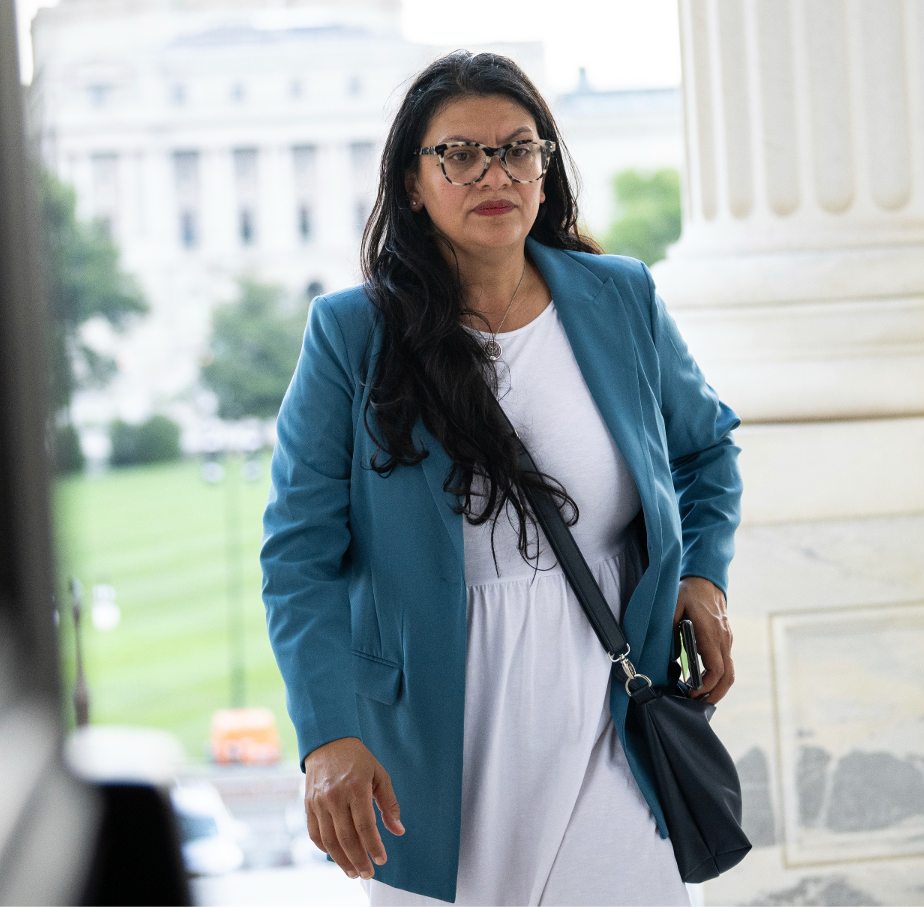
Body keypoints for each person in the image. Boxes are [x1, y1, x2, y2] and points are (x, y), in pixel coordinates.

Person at [261, 50, 741, 905]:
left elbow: (706, 450)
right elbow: (297, 556)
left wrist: (702, 571)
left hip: (608, 693)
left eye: (519, 150)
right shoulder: (351, 335)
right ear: (412, 181)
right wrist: (328, 733)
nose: (495, 173)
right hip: (436, 733)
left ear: (546, 170)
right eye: (460, 153)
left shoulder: (620, 296)